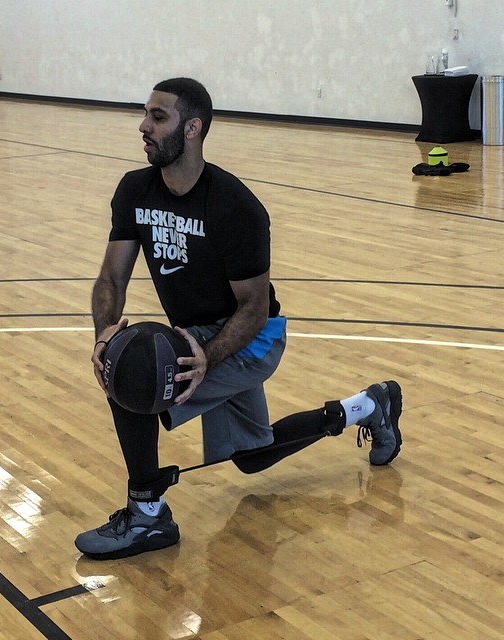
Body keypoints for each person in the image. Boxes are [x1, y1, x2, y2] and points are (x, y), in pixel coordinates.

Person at [74, 78, 403, 560]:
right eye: (145, 114)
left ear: (192, 128)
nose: (143, 127)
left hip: (249, 338)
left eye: (158, 117)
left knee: (138, 372)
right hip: (200, 333)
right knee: (251, 457)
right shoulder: (135, 190)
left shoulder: (236, 207)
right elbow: (110, 280)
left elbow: (252, 308)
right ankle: (369, 405)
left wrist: (206, 356)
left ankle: (147, 515)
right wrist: (104, 332)